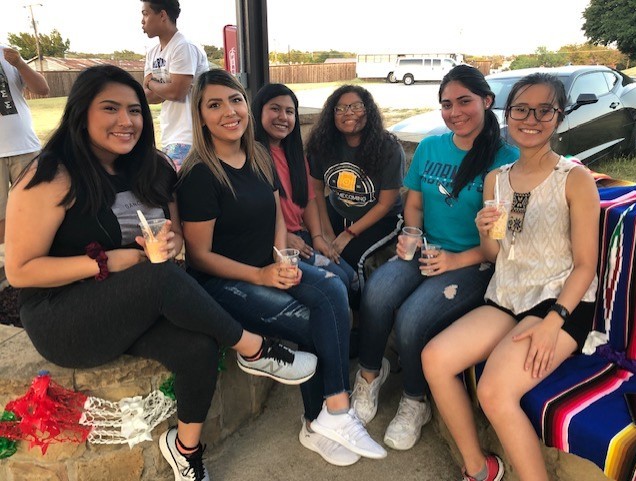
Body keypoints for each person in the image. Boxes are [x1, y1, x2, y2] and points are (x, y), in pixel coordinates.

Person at [5, 65, 317, 481]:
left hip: (132, 302)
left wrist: (171, 246)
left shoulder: (150, 168)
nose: (126, 121)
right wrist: (108, 261)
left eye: (135, 110)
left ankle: (185, 450)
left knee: (199, 347)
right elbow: (21, 271)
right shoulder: (51, 175)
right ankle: (256, 350)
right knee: (159, 278)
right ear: (81, 113)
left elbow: (174, 241)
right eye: (110, 109)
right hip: (63, 317)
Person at [177, 69, 387, 467]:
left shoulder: (256, 155)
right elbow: (199, 255)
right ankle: (316, 421)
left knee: (334, 291)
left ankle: (334, 412)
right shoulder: (199, 175)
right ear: (200, 116)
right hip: (223, 282)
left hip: (266, 264)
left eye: (235, 100)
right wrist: (259, 274)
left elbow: (276, 209)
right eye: (214, 104)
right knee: (312, 322)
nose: (229, 112)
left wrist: (280, 256)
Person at [421, 72, 599, 481]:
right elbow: (495, 255)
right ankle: (480, 468)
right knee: (435, 358)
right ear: (507, 113)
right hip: (508, 293)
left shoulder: (574, 178)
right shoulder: (495, 181)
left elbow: (586, 264)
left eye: (544, 110)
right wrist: (486, 229)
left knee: (494, 392)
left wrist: (554, 322)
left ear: (559, 115)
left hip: (560, 300)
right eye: (521, 109)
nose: (530, 119)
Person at [352, 65, 519, 451]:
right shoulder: (430, 146)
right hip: (426, 249)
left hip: (474, 262)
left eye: (465, 101)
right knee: (377, 290)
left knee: (413, 317)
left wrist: (454, 261)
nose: (454, 111)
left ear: (487, 101)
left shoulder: (505, 160)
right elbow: (413, 203)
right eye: (446, 104)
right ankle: (369, 375)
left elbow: (499, 241)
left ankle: (415, 399)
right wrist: (413, 238)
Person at [251, 83, 358, 299]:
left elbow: (309, 199)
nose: (283, 116)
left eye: (289, 111)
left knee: (350, 276)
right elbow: (252, 210)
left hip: (303, 236)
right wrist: (283, 237)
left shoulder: (295, 155)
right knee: (337, 281)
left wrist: (318, 237)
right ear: (258, 110)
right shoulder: (253, 156)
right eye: (275, 108)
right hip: (278, 243)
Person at [305, 85, 405, 288]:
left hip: (381, 217)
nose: (348, 112)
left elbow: (385, 204)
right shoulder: (323, 143)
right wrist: (325, 231)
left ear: (368, 111)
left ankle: (359, 311)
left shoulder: (389, 149)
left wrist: (347, 235)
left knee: (351, 258)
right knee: (313, 245)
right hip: (338, 208)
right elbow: (315, 190)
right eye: (340, 108)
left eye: (356, 106)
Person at [141, 0, 209, 170]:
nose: (142, 20)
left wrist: (151, 82)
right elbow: (147, 96)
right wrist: (162, 87)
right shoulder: (152, 53)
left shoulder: (183, 47)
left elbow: (177, 92)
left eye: (146, 13)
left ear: (162, 15)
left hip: (191, 136)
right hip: (169, 135)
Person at [0, 45, 49, 268]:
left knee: (37, 209)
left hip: (24, 146)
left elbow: (43, 89)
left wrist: (19, 63)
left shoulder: (8, 53)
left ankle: (40, 259)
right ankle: (7, 267)